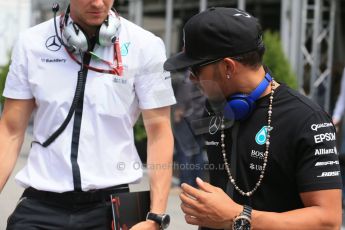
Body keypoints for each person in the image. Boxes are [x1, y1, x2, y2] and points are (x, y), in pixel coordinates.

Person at [0, 0, 176, 229]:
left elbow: (159, 130)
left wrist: (157, 216)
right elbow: (11, 131)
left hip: (112, 208)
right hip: (41, 205)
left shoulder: (146, 46)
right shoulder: (31, 42)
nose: (97, 3)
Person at [164, 7, 342, 230]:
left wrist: (239, 216)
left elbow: (328, 221)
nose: (191, 78)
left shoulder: (307, 120)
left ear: (228, 66)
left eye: (195, 69)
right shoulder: (215, 107)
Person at [173, 74, 206, 188]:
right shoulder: (203, 75)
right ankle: (198, 183)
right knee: (198, 154)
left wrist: (178, 113)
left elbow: (185, 96)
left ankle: (185, 184)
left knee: (185, 153)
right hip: (200, 120)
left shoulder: (190, 75)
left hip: (187, 121)